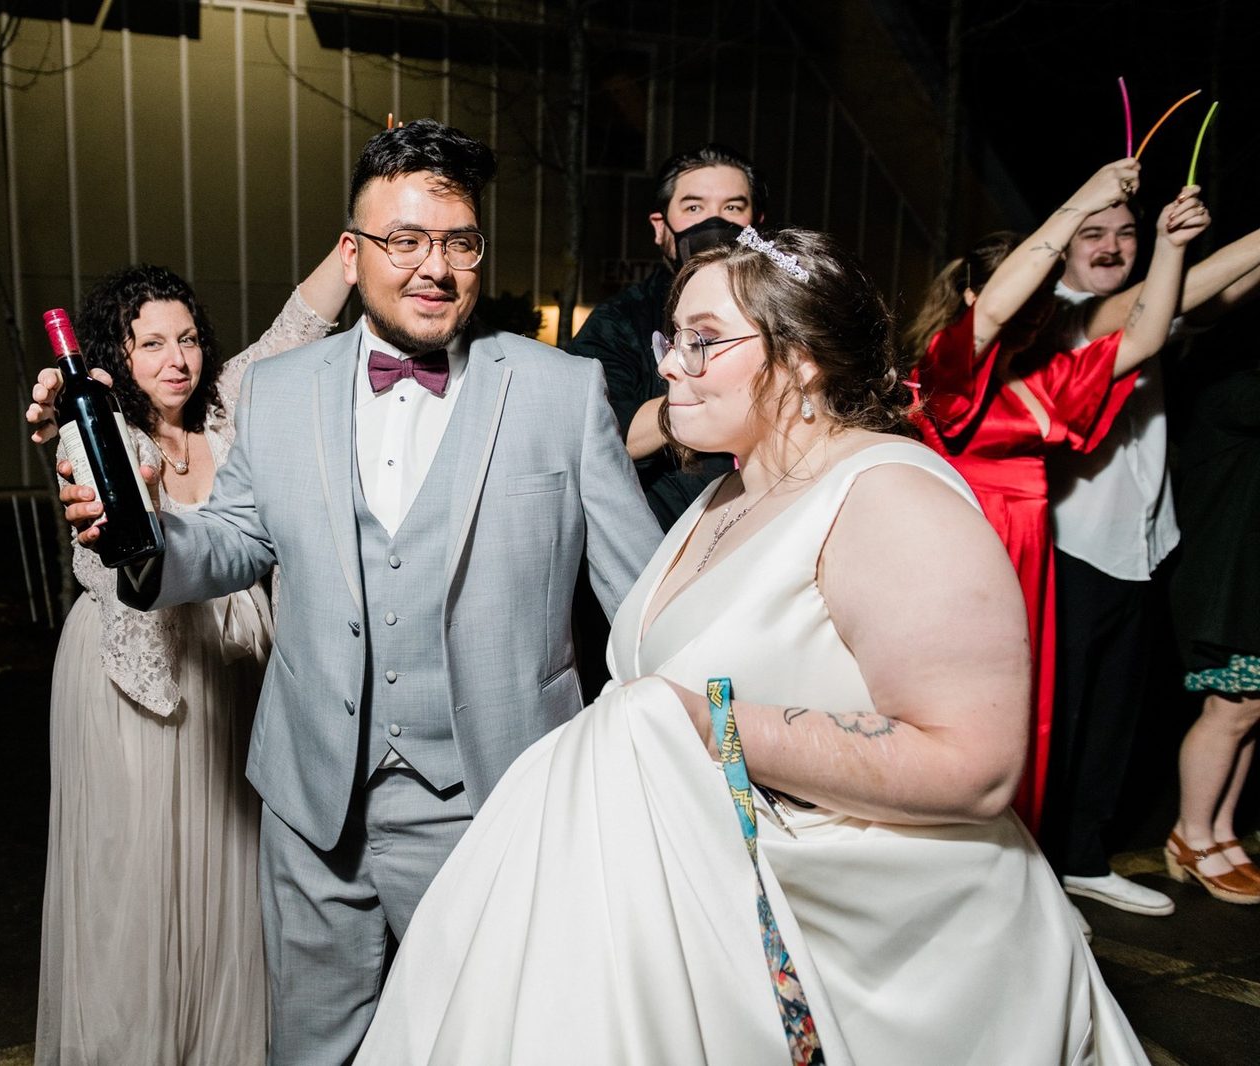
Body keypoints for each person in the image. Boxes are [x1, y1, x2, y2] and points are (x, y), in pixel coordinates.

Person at [353, 229, 1146, 1065]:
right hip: (716, 916)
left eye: (704, 341)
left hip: (884, 957)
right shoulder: (725, 491)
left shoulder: (890, 498)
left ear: (800, 359)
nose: (668, 365)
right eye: (674, 339)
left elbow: (975, 765)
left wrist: (699, 723)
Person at [30, 119, 661, 1063]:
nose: (433, 267)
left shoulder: (558, 391)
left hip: (491, 801)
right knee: (310, 1047)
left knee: (493, 1040)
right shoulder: (280, 390)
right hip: (308, 800)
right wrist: (146, 539)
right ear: (355, 250)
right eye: (403, 241)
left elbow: (645, 602)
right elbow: (238, 538)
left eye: (458, 241)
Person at [29, 255, 351, 1065]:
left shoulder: (232, 405)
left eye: (189, 339)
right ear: (115, 355)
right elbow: (105, 527)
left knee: (232, 877)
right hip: (129, 682)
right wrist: (68, 428)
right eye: (151, 345)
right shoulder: (98, 426)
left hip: (233, 674)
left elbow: (301, 321)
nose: (177, 360)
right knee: (134, 887)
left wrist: (361, 241)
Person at [901, 158, 1208, 832]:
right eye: (1027, 290)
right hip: (966, 561)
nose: (1039, 307)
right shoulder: (947, 369)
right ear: (983, 295)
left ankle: (1017, 869)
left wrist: (1173, 247)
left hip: (1032, 563)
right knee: (957, 720)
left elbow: (1146, 335)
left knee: (1028, 720)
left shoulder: (1048, 379)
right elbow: (994, 314)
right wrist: (1081, 199)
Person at [1045, 207, 1260, 916]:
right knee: (1061, 720)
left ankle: (1082, 859)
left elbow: (1215, 295)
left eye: (1125, 235)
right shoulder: (1062, 315)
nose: (1111, 247)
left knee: (1113, 718)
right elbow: (1161, 302)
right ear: (1064, 247)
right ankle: (1038, 875)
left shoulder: (1157, 307)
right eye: (1093, 235)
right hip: (1070, 544)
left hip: (1139, 545)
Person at [568, 142, 764, 530]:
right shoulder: (618, 322)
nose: (715, 222)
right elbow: (597, 436)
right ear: (660, 227)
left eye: (732, 208)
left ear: (755, 223)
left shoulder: (783, 315)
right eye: (694, 208)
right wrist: (701, 400)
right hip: (663, 541)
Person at [1164, 343, 1260, 904]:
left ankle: (1220, 832)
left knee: (1250, 709)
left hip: (1245, 577)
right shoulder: (1232, 388)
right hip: (1226, 579)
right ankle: (1189, 835)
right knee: (1230, 707)